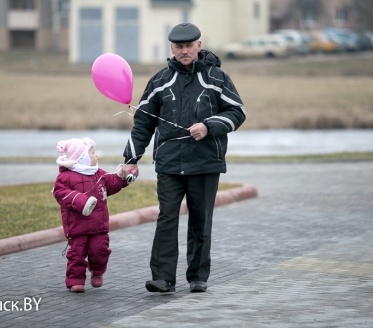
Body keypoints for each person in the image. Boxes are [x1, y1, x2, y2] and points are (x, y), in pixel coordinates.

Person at [122, 23, 246, 293]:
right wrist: (131, 158)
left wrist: (209, 126)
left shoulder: (218, 77)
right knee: (167, 217)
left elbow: (237, 112)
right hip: (169, 164)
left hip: (205, 162)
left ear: (199, 46)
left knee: (201, 219)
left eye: (189, 45)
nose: (184, 51)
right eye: (179, 47)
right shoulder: (159, 81)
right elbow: (143, 122)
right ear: (172, 49)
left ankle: (198, 276)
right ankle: (163, 278)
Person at [53, 137, 129, 293]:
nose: (96, 156)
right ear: (82, 157)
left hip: (98, 225)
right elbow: (60, 193)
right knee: (76, 254)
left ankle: (98, 271)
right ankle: (75, 281)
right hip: (77, 226)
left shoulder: (98, 173)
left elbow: (110, 184)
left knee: (100, 251)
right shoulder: (65, 177)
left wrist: (121, 177)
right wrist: (82, 201)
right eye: (92, 153)